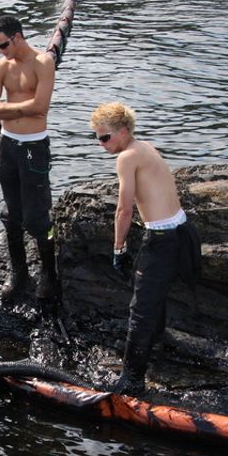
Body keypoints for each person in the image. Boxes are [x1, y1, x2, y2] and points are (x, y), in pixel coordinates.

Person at [90, 102, 202, 395]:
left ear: (123, 132)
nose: (101, 144)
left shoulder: (126, 157)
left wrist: (118, 248)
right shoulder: (144, 147)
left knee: (141, 308)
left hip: (164, 238)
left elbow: (123, 211)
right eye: (97, 138)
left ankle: (132, 379)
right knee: (156, 296)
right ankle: (159, 349)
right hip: (182, 232)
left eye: (105, 137)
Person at [0, 14, 59, 302]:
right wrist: (17, 110)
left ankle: (49, 276)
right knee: (12, 213)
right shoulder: (1, 67)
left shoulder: (42, 63)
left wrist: (8, 108)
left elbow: (41, 106)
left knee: (37, 215)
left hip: (32, 146)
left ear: (17, 37)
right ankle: (19, 274)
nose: (0, 51)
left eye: (3, 45)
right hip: (8, 146)